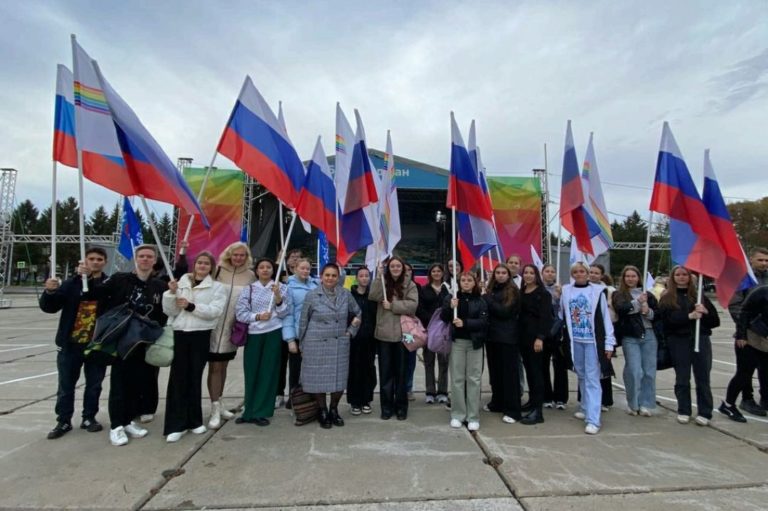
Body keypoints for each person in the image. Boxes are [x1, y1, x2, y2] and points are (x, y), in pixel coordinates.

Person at [83, 244, 168, 446]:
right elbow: (94, 294)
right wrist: (88, 277)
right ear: (136, 259)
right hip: (122, 339)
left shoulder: (158, 285)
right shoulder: (120, 279)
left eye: (149, 256)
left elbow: (164, 312)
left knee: (136, 383)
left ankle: (128, 420)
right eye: (142, 256)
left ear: (154, 260)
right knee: (119, 384)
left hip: (143, 340)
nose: (145, 259)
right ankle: (116, 426)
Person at [40, 247, 109, 439]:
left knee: (94, 384)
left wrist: (91, 280)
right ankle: (63, 420)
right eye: (91, 259)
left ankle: (89, 417)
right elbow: (50, 308)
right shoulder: (70, 284)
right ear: (84, 261)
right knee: (66, 385)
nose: (95, 262)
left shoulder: (107, 283)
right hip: (70, 344)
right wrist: (50, 292)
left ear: (104, 262)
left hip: (96, 344)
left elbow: (99, 295)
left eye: (99, 259)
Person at [162, 252, 226, 442]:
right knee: (178, 379)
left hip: (200, 334)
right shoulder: (181, 283)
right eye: (200, 262)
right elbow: (170, 310)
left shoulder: (216, 287)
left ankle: (195, 421)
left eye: (207, 263)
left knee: (195, 377)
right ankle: (176, 424)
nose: (202, 266)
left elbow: (215, 311)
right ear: (194, 264)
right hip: (180, 333)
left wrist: (192, 306)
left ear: (211, 267)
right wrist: (171, 294)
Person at [298, 263, 362, 428]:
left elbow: (358, 312)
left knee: (339, 380)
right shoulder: (312, 295)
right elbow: (304, 321)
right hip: (316, 343)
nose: (330, 278)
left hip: (339, 343)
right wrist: (302, 344)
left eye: (334, 275)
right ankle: (322, 410)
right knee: (318, 379)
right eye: (327, 275)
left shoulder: (346, 294)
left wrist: (351, 330)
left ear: (338, 277)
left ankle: (334, 409)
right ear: (321, 276)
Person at [657, 265, 719, 426]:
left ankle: (705, 411)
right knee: (682, 377)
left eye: (685, 274)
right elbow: (667, 321)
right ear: (673, 277)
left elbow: (715, 322)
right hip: (679, 341)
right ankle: (684, 409)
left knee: (703, 377)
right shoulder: (667, 298)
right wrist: (689, 316)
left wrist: (705, 312)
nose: (681, 277)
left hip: (701, 339)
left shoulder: (698, 297)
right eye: (678, 274)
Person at [235, 258, 292, 426]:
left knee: (268, 372)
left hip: (273, 333)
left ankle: (262, 411)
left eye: (268, 267)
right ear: (257, 270)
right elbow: (240, 313)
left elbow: (284, 312)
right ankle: (249, 410)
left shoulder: (282, 288)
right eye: (262, 267)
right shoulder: (249, 289)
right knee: (251, 371)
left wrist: (278, 298)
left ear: (273, 270)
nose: (265, 270)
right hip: (254, 334)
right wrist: (257, 316)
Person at [560, 262, 615, 435]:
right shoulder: (566, 290)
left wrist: (609, 342)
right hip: (575, 340)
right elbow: (563, 314)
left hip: (592, 341)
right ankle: (584, 407)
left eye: (582, 271)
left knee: (592, 378)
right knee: (582, 375)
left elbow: (606, 318)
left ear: (587, 273)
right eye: (575, 271)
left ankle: (593, 419)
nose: (579, 274)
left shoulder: (598, 291)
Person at [207, 242, 255, 429]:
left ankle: (219, 402)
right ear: (229, 254)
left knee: (223, 366)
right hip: (213, 326)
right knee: (214, 367)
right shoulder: (217, 271)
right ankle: (214, 407)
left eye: (242, 255)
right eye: (235, 255)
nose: (238, 258)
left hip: (232, 329)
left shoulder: (250, 275)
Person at [369, 256, 419, 420]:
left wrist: (393, 306)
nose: (396, 268)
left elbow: (413, 305)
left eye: (398, 266)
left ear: (402, 268)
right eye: (393, 266)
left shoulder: (409, 284)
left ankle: (401, 407)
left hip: (403, 335)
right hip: (384, 335)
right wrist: (378, 277)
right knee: (385, 373)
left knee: (401, 373)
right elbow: (373, 295)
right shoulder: (383, 282)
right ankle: (386, 407)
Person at [442, 271, 488, 431]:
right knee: (457, 378)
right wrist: (450, 307)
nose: (466, 282)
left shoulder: (481, 300)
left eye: (469, 280)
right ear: (459, 282)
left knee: (474, 379)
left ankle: (473, 416)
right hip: (458, 342)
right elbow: (444, 317)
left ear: (474, 283)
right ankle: (458, 414)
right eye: (463, 280)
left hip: (475, 344)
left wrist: (466, 323)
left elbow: (484, 322)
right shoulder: (452, 298)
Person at [613, 265, 659, 417]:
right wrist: (637, 303)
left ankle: (646, 403)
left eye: (633, 276)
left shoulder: (648, 295)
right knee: (634, 371)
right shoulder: (619, 294)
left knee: (648, 372)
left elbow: (656, 315)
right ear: (623, 278)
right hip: (630, 336)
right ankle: (633, 403)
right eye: (628, 276)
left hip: (649, 336)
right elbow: (621, 309)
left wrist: (648, 310)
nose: (631, 279)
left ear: (639, 277)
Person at [727, 247, 768, 415]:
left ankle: (765, 398)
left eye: (767, 260)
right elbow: (735, 305)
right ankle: (747, 399)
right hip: (749, 333)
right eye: (760, 260)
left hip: (766, 334)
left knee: (766, 369)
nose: (764, 263)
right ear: (751, 260)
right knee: (746, 370)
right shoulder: (744, 280)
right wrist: (747, 327)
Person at [483, 263, 522, 424]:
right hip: (492, 338)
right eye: (497, 272)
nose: (500, 275)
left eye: (503, 273)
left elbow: (504, 311)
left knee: (509, 375)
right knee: (496, 373)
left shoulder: (512, 291)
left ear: (508, 275)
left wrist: (487, 299)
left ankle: (512, 410)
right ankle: (497, 402)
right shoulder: (491, 290)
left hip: (507, 338)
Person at [519, 264, 553, 425]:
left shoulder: (543, 294)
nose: (528, 275)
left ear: (536, 275)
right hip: (523, 338)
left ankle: (538, 411)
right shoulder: (522, 292)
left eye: (531, 273)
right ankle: (532, 402)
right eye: (525, 273)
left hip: (535, 340)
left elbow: (546, 318)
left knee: (537, 374)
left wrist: (540, 338)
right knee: (530, 373)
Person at [281, 258, 318, 409]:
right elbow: (287, 314)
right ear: (295, 269)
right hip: (297, 335)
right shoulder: (288, 287)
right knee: (295, 371)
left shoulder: (316, 285)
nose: (305, 271)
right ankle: (295, 400)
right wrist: (290, 339)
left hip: (314, 335)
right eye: (302, 268)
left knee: (312, 371)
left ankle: (311, 400)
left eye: (308, 269)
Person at [417, 263, 451, 405]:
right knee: (429, 362)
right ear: (430, 274)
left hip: (444, 330)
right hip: (429, 329)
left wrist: (443, 320)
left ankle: (443, 391)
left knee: (444, 362)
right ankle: (430, 392)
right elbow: (419, 308)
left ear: (442, 273)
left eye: (439, 271)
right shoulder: (424, 290)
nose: (436, 273)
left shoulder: (448, 289)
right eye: (434, 271)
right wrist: (431, 321)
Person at [347, 266, 379, 415]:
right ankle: (355, 401)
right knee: (354, 369)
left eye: (367, 276)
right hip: (354, 339)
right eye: (361, 276)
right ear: (356, 278)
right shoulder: (349, 295)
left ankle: (367, 399)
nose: (364, 278)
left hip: (370, 339)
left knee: (368, 369)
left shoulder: (373, 296)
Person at [276, 248, 303, 409]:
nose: (295, 260)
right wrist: (279, 261)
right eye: (292, 257)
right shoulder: (281, 277)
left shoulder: (307, 280)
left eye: (298, 257)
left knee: (296, 365)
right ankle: (278, 393)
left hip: (297, 329)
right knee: (280, 363)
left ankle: (295, 396)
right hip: (281, 327)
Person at [588, 263, 616, 411]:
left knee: (604, 366)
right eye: (591, 272)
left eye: (596, 273)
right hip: (587, 333)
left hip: (604, 333)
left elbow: (613, 314)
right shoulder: (583, 288)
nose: (593, 275)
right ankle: (585, 400)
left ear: (602, 275)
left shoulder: (609, 291)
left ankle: (605, 400)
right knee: (588, 370)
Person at [541, 263, 568, 410]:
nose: (550, 274)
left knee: (560, 366)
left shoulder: (563, 290)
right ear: (542, 273)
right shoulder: (539, 289)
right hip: (544, 332)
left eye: (552, 271)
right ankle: (546, 396)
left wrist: (559, 298)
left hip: (558, 333)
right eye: (547, 271)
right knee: (543, 365)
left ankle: (561, 398)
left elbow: (564, 311)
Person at [404, 262, 420, 402]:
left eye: (409, 269)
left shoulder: (416, 287)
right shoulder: (393, 287)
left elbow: (414, 307)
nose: (407, 272)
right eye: (405, 269)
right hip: (396, 329)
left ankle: (408, 388)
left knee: (410, 359)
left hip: (410, 330)